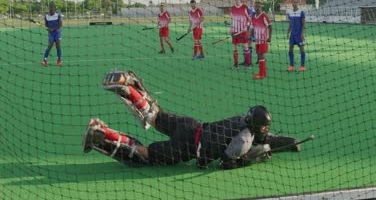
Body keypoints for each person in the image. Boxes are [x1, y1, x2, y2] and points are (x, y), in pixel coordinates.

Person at [83, 70, 301, 169]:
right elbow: (227, 161)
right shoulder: (245, 139)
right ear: (258, 126)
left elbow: (267, 138)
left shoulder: (242, 121)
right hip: (187, 148)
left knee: (156, 115)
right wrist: (248, 160)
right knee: (146, 154)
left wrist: (290, 143)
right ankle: (101, 133)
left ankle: (128, 87)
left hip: (191, 125)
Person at [251, 1, 272, 79]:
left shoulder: (264, 16)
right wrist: (251, 36)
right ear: (254, 7)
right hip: (257, 40)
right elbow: (253, 28)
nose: (257, 8)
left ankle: (262, 74)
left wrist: (269, 37)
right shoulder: (253, 17)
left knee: (261, 55)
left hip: (263, 40)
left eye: (258, 6)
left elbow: (270, 26)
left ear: (261, 7)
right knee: (259, 55)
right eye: (256, 6)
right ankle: (262, 73)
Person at [230, 0, 251, 69]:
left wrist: (247, 26)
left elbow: (249, 18)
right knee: (235, 48)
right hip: (235, 31)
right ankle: (236, 65)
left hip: (243, 31)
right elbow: (232, 19)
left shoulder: (245, 7)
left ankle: (248, 64)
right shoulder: (232, 8)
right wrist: (231, 29)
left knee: (246, 47)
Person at [286, 0, 306, 72]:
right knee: (290, 48)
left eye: (296, 2)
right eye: (294, 2)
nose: (295, 3)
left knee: (301, 49)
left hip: (299, 34)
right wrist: (288, 33)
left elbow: (304, 23)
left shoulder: (301, 12)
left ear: (298, 3)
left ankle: (302, 66)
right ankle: (291, 66)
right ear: (292, 3)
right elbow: (290, 23)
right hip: (292, 34)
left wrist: (302, 33)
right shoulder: (290, 12)